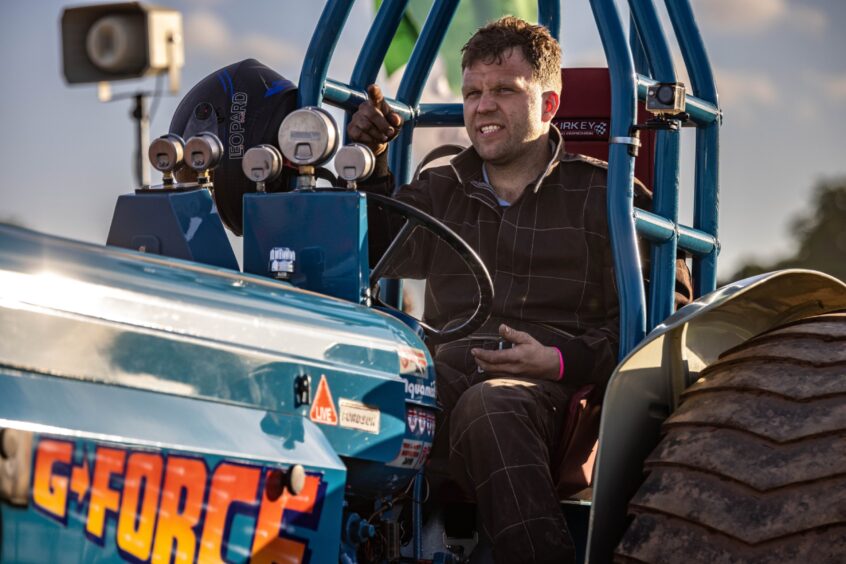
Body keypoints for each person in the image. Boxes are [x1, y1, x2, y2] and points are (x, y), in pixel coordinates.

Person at [348, 17, 692, 563]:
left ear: (549, 105)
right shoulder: (441, 186)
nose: (483, 106)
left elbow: (665, 322)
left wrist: (559, 360)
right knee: (343, 400)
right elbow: (371, 252)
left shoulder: (605, 196)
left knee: (492, 405)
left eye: (505, 90)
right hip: (445, 384)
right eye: (473, 92)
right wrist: (371, 163)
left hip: (558, 398)